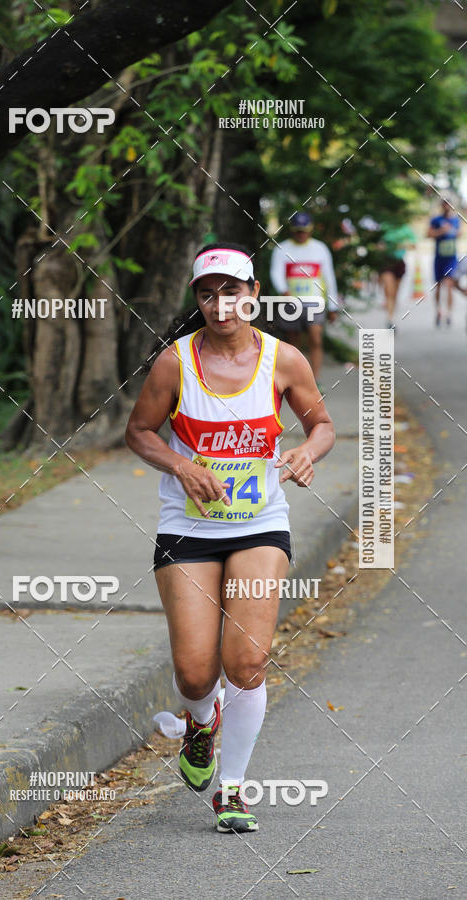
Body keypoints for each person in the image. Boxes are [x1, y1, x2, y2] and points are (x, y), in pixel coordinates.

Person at [125, 242, 335, 833]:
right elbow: (139, 431)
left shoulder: (284, 359)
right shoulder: (176, 363)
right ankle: (200, 721)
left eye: (233, 292)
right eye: (208, 293)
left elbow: (321, 425)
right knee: (195, 673)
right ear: (198, 299)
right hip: (187, 526)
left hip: (260, 523)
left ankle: (232, 788)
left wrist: (305, 451)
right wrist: (180, 465)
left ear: (254, 295)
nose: (221, 305)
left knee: (245, 661)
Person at [269, 211, 339, 387]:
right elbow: (275, 272)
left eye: (304, 230)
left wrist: (333, 306)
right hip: (291, 303)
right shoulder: (282, 248)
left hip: (315, 303)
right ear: (292, 230)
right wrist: (283, 291)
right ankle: (296, 380)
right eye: (297, 230)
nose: (301, 234)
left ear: (310, 229)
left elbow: (329, 277)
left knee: (315, 339)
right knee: (293, 342)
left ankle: (315, 381)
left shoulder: (320, 248)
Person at [377, 221, 416, 330]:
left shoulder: (404, 227)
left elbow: (414, 244)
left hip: (399, 263)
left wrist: (402, 245)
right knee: (390, 290)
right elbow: (376, 243)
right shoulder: (384, 226)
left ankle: (391, 318)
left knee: (395, 293)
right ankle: (389, 320)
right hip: (386, 262)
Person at [427, 199, 461, 327]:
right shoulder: (436, 220)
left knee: (450, 284)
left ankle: (449, 313)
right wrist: (441, 231)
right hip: (439, 258)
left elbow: (459, 233)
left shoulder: (455, 220)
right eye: (445, 204)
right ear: (442, 206)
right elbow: (429, 234)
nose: (447, 206)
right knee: (438, 285)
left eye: (449, 204)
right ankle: (438, 310)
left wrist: (453, 231)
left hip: (451, 258)